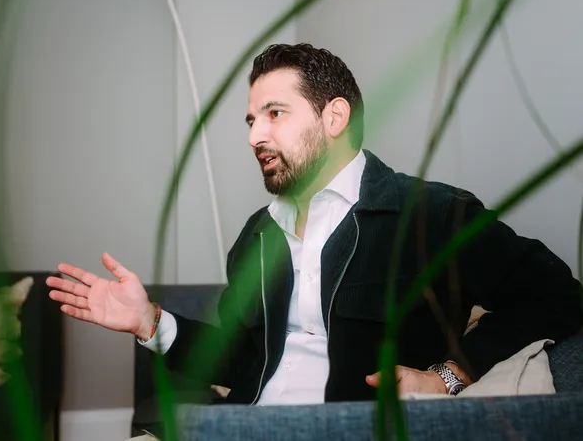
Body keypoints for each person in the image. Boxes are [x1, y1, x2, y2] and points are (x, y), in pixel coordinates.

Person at [46, 43, 582, 406]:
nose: (254, 135)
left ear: (334, 118)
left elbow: (558, 297)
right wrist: (150, 321)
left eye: (274, 114)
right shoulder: (256, 237)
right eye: (251, 120)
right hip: (251, 427)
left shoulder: (434, 215)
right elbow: (245, 361)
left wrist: (443, 378)